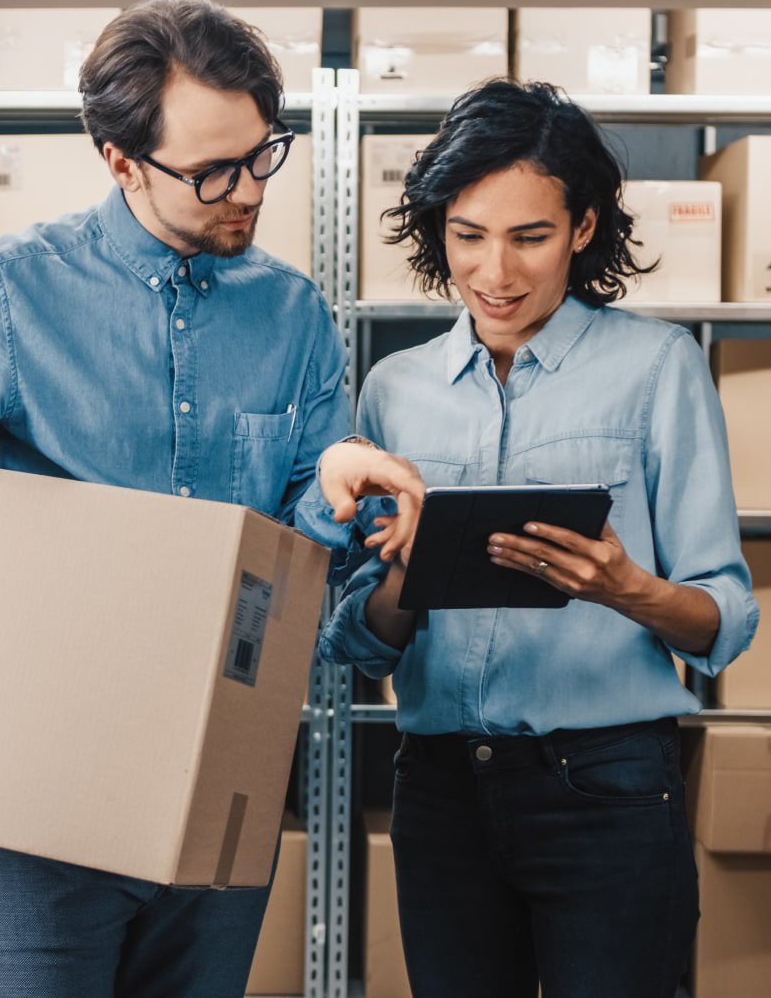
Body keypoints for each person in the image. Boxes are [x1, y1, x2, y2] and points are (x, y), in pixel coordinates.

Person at [0, 0, 368, 998]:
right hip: (39, 804)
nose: (247, 192)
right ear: (119, 158)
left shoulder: (296, 316)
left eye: (262, 154)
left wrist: (343, 492)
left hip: (224, 788)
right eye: (210, 171)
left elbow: (309, 541)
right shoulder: (5, 294)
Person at [298, 79, 760, 998]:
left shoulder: (656, 367)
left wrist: (625, 587)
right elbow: (352, 638)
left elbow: (727, 618)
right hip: (439, 790)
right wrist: (400, 577)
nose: (493, 273)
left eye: (529, 237)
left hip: (607, 786)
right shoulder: (393, 388)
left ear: (582, 229)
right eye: (466, 236)